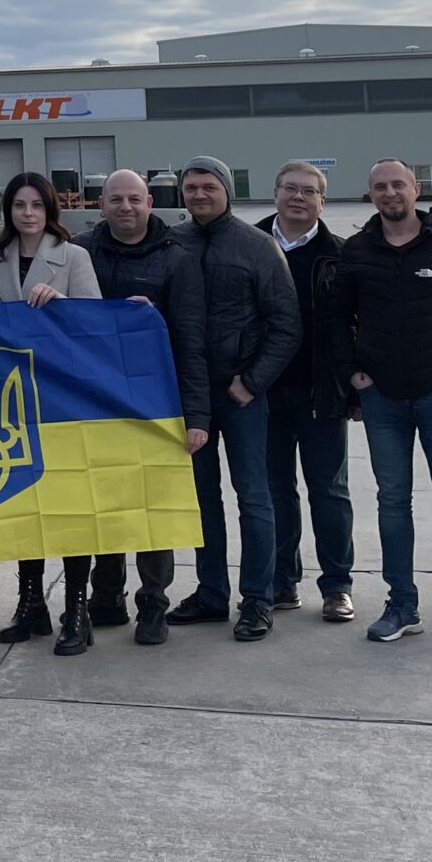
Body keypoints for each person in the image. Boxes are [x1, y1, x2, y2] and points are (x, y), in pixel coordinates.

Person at [324, 159, 432, 647]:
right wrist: (353, 375)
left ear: (415, 189)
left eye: (398, 184)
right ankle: (402, 604)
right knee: (393, 502)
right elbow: (336, 319)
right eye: (379, 186)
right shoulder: (358, 249)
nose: (389, 193)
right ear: (370, 194)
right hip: (382, 400)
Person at [165, 156, 298, 641]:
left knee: (254, 496)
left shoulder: (258, 247)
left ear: (226, 190)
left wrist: (251, 382)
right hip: (188, 396)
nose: (199, 195)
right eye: (191, 187)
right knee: (202, 499)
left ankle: (258, 598)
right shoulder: (171, 242)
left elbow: (286, 326)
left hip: (240, 395)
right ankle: (211, 593)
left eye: (208, 187)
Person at [78, 169, 210, 645]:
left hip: (157, 405)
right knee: (101, 502)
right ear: (100, 204)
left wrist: (196, 417)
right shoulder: (80, 252)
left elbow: (191, 342)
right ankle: (107, 596)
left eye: (135, 199)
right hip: (92, 404)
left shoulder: (177, 259)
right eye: (116, 199)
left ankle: (153, 602)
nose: (126, 207)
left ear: (150, 202)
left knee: (153, 510)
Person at [0, 172, 104, 655]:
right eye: (19, 204)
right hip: (11, 400)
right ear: (8, 211)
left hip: (63, 400)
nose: (28, 213)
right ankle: (30, 601)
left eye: (36, 204)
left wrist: (64, 304)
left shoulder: (74, 257)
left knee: (71, 503)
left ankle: (76, 608)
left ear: (49, 209)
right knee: (23, 502)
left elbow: (96, 322)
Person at [258, 161, 355, 623]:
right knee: (276, 491)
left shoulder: (341, 254)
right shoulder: (250, 245)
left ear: (322, 200)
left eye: (309, 191)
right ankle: (281, 581)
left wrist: (353, 386)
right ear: (274, 194)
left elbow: (358, 326)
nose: (299, 197)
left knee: (329, 492)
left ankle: (337, 586)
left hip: (322, 395)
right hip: (262, 393)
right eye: (290, 189)